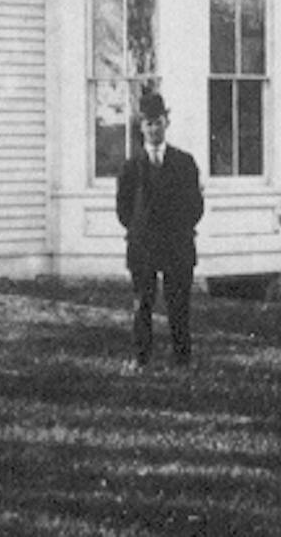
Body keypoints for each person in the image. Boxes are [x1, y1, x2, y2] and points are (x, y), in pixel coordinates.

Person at [115, 91, 204, 369]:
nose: (154, 129)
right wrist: (141, 230)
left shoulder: (184, 162)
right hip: (144, 245)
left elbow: (195, 206)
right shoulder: (131, 167)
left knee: (179, 305)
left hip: (177, 243)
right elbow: (123, 209)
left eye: (158, 122)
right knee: (143, 305)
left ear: (167, 123)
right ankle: (142, 358)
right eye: (148, 123)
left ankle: (182, 358)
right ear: (141, 126)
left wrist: (178, 229)